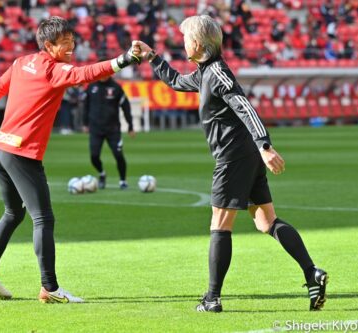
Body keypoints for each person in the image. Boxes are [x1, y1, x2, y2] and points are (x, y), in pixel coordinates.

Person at [134, 15, 328, 313]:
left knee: (219, 226)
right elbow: (175, 81)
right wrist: (151, 57)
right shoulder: (205, 73)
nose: (183, 42)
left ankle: (212, 298)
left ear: (197, 43)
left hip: (234, 158)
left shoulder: (218, 73)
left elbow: (244, 106)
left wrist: (264, 145)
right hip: (243, 156)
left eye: (186, 38)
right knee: (266, 222)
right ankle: (311, 273)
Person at [0, 16, 141, 303]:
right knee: (43, 219)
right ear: (48, 45)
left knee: (13, 214)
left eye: (72, 41)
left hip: (0, 149)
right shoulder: (53, 70)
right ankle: (49, 288)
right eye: (64, 43)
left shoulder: (20, 63)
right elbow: (85, 74)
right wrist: (125, 59)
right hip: (21, 154)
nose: (71, 46)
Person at [82, 76, 135, 190]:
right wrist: (85, 123)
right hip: (96, 129)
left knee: (118, 155)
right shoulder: (91, 87)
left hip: (113, 129)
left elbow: (126, 107)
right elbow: (85, 106)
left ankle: (123, 181)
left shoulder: (116, 88)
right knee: (94, 156)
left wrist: (130, 126)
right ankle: (102, 174)